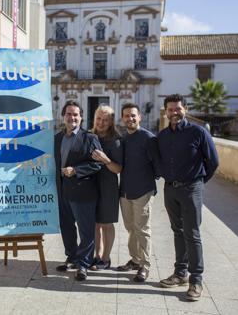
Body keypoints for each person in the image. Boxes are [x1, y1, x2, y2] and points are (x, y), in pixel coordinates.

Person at [158, 94, 219, 301]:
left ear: (185, 109)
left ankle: (196, 280)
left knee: (192, 234)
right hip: (170, 190)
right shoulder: (163, 136)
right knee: (177, 231)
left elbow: (213, 162)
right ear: (165, 111)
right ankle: (180, 273)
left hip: (192, 188)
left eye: (178, 109)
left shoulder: (198, 132)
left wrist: (198, 183)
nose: (174, 113)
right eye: (171, 109)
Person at [54, 100, 102, 281]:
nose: (72, 117)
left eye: (75, 114)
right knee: (66, 227)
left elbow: (98, 164)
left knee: (86, 230)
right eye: (68, 114)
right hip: (62, 191)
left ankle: (84, 264)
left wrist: (76, 170)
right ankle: (72, 256)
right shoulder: (57, 138)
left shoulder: (90, 138)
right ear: (63, 117)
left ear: (81, 117)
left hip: (83, 192)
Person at [117, 102, 159, 282]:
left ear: (139, 117)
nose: (130, 118)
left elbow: (157, 165)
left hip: (143, 190)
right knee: (131, 228)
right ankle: (135, 260)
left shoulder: (148, 138)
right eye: (126, 116)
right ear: (122, 118)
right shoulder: (124, 138)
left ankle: (145, 265)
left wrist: (147, 182)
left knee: (142, 229)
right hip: (125, 190)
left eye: (133, 115)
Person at [89, 105, 123, 270]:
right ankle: (97, 256)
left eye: (106, 120)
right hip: (89, 185)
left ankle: (106, 258)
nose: (101, 123)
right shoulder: (88, 136)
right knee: (94, 223)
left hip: (107, 187)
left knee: (106, 224)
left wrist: (106, 160)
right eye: (99, 119)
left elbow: (118, 169)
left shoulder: (115, 141)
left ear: (111, 122)